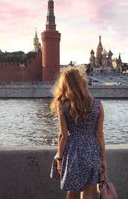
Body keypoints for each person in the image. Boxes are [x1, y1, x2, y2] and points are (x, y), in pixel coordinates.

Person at [50, 68, 107, 199]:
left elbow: (63, 136)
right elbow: (100, 135)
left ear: (65, 85)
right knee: (89, 194)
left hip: (73, 153)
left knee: (72, 193)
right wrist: (103, 159)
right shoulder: (98, 105)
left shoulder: (63, 105)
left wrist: (59, 158)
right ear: (82, 82)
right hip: (93, 152)